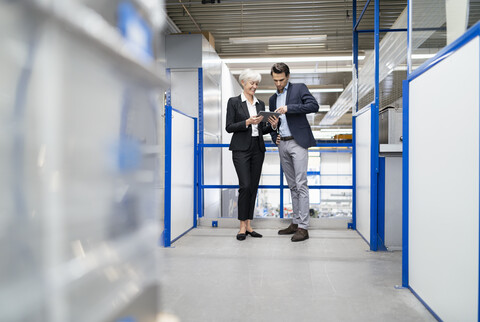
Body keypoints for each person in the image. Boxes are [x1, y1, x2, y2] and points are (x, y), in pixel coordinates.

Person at [226, 69, 279, 241]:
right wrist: (247, 122)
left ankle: (249, 225)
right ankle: (241, 226)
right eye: (252, 83)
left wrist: (272, 124)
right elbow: (229, 127)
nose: (254, 87)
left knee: (254, 187)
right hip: (241, 149)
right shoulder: (234, 102)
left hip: (258, 149)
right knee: (245, 186)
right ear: (243, 83)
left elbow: (261, 129)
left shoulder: (260, 104)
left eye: (256, 84)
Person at [269, 63, 319, 242]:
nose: (279, 84)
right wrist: (274, 130)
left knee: (301, 184)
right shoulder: (273, 99)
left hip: (298, 142)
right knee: (292, 186)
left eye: (281, 80)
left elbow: (314, 106)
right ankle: (296, 222)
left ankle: (304, 228)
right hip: (283, 143)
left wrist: (290, 108)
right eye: (275, 80)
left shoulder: (299, 89)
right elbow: (272, 123)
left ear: (287, 76)